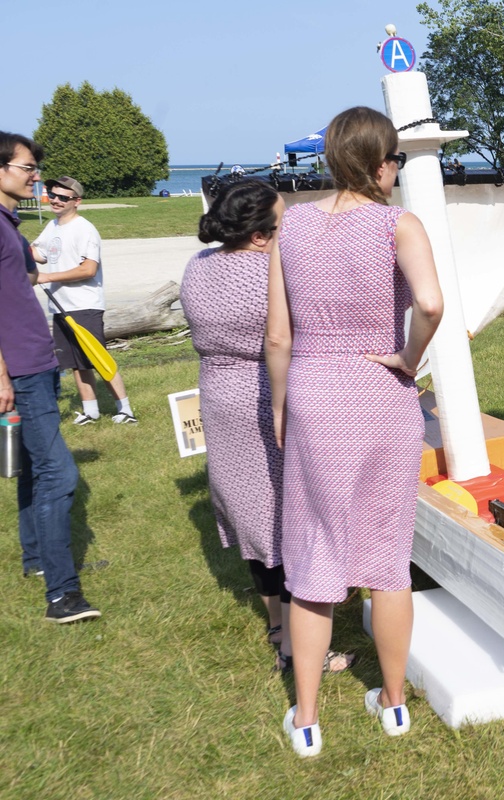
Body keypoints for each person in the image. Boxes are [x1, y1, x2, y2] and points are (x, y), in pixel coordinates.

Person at [266, 107, 443, 756]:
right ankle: (394, 704)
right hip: (380, 392)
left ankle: (307, 720)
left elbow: (279, 335)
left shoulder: (294, 225)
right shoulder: (399, 223)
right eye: (394, 160)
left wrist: (283, 405)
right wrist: (409, 359)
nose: (396, 171)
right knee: (388, 557)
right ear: (379, 164)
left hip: (314, 390)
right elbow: (430, 304)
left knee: (313, 553)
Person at [180, 180, 354, 676]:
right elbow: (295, 335)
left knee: (253, 516)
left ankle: (278, 626)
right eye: (283, 225)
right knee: (289, 516)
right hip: (265, 394)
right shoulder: (272, 271)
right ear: (260, 235)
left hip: (217, 395)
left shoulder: (198, 267)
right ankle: (300, 649)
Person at [0, 131, 100, 622]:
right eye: (26, 167)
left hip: (34, 362)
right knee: (60, 474)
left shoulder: (9, 225)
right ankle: (62, 596)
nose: (35, 175)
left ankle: (38, 560)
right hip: (17, 368)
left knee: (35, 468)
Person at [30, 176, 137, 425]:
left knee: (97, 358)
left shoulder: (84, 229)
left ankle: (126, 410)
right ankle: (91, 411)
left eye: (63, 197)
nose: (55, 200)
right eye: (52, 195)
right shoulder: (53, 226)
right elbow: (38, 253)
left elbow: (88, 269)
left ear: (76, 201)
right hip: (60, 305)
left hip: (84, 305)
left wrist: (46, 277)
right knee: (75, 363)